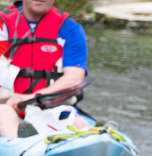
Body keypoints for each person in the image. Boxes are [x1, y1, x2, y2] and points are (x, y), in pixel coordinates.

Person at [0, 0, 88, 138]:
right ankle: (25, 144)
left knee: (79, 123)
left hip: (50, 107)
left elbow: (74, 78)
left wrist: (32, 97)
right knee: (3, 114)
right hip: (6, 107)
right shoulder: (2, 26)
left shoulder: (70, 29)